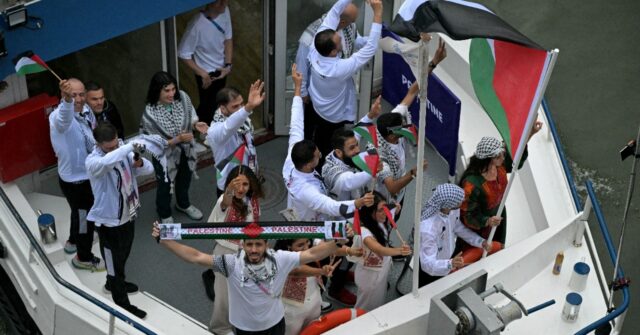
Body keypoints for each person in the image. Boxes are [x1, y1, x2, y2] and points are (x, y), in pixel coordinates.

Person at [152, 226, 352, 335]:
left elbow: (311, 253)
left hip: (275, 325)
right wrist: (165, 241)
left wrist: (336, 243)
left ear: (266, 244)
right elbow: (196, 256)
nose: (254, 249)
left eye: (258, 244)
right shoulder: (230, 263)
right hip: (245, 329)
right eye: (249, 245)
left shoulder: (281, 259)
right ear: (243, 245)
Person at [283, 64, 373, 222]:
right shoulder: (307, 190)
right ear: (309, 164)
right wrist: (357, 203)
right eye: (317, 155)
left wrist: (297, 88)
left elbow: (296, 123)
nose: (320, 153)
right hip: (309, 227)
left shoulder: (293, 158)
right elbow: (330, 206)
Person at [85, 122, 153, 319]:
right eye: (109, 147)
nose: (114, 149)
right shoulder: (93, 162)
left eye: (116, 144)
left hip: (128, 216)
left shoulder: (122, 150)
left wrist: (138, 162)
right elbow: (108, 162)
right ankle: (122, 304)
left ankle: (113, 282)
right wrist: (126, 148)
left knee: (122, 256)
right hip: (109, 224)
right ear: (98, 145)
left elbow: (147, 170)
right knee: (114, 264)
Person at [307, 0, 383, 161]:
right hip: (333, 116)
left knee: (319, 137)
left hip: (318, 105)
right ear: (334, 52)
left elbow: (335, 10)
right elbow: (370, 49)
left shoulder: (317, 44)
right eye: (339, 41)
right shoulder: (338, 69)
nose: (341, 39)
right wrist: (377, 13)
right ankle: (327, 168)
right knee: (330, 146)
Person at [49, 79, 104, 271]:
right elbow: (65, 118)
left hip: (87, 176)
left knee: (77, 212)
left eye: (81, 94)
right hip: (75, 182)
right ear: (64, 97)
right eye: (74, 95)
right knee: (84, 221)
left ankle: (73, 242)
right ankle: (83, 257)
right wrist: (67, 100)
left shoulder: (86, 111)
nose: (79, 99)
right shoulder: (58, 117)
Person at [140, 71, 208, 223]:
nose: (172, 94)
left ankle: (183, 204)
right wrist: (178, 139)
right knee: (165, 185)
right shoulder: (150, 114)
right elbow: (154, 143)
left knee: (185, 179)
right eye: (167, 90)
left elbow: (191, 117)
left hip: (186, 150)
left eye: (173, 89)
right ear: (157, 90)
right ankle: (164, 213)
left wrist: (196, 125)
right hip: (164, 157)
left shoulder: (183, 97)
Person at [458, 124, 542, 245]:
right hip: (480, 227)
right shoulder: (471, 185)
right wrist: (487, 221)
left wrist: (531, 133)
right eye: (498, 156)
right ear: (488, 160)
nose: (503, 157)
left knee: (498, 244)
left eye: (502, 153)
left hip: (498, 213)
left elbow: (515, 156)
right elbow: (468, 215)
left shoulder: (499, 166)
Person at [205, 165, 264, 334]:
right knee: (223, 295)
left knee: (244, 291)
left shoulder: (252, 200)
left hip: (246, 253)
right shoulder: (225, 199)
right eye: (236, 184)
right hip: (226, 252)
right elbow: (225, 203)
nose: (240, 188)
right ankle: (220, 327)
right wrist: (229, 191)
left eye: (245, 184)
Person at [295, 1, 366, 140]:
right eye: (352, 21)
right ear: (342, 20)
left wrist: (375, 41)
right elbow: (301, 66)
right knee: (313, 128)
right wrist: (303, 93)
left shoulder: (349, 27)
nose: (353, 24)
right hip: (317, 94)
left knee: (335, 129)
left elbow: (357, 40)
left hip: (340, 90)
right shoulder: (310, 37)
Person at [419, 184, 492, 286]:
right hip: (431, 272)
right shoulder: (428, 229)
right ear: (450, 205)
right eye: (459, 201)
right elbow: (427, 264)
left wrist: (480, 241)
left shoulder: (452, 210)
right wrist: (449, 264)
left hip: (447, 259)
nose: (462, 202)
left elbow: (458, 228)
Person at [274, 238, 348, 335]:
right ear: (288, 247)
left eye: (307, 242)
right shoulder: (280, 258)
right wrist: (321, 271)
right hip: (292, 309)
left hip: (315, 302)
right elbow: (297, 271)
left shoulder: (313, 245)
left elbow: (331, 249)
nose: (306, 247)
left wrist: (351, 251)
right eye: (300, 245)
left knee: (313, 330)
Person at [205, 81, 265, 196]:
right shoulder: (215, 131)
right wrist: (248, 107)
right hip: (229, 186)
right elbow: (230, 126)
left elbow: (249, 147)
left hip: (248, 178)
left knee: (251, 213)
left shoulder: (244, 122)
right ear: (223, 109)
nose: (239, 109)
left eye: (241, 104)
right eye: (235, 106)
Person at [178, 0, 233, 126]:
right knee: (208, 105)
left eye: (225, 2)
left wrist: (228, 65)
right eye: (220, 3)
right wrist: (202, 73)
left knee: (218, 103)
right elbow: (183, 53)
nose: (224, 6)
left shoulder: (225, 11)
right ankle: (201, 129)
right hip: (206, 73)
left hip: (221, 69)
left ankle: (206, 127)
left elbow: (228, 38)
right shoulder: (196, 25)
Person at [355, 191, 411, 311]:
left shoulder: (380, 220)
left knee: (378, 300)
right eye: (380, 210)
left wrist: (395, 209)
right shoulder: (364, 231)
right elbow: (378, 249)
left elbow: (390, 212)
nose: (385, 213)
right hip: (369, 275)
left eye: (385, 208)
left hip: (381, 268)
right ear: (370, 212)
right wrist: (400, 251)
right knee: (365, 306)